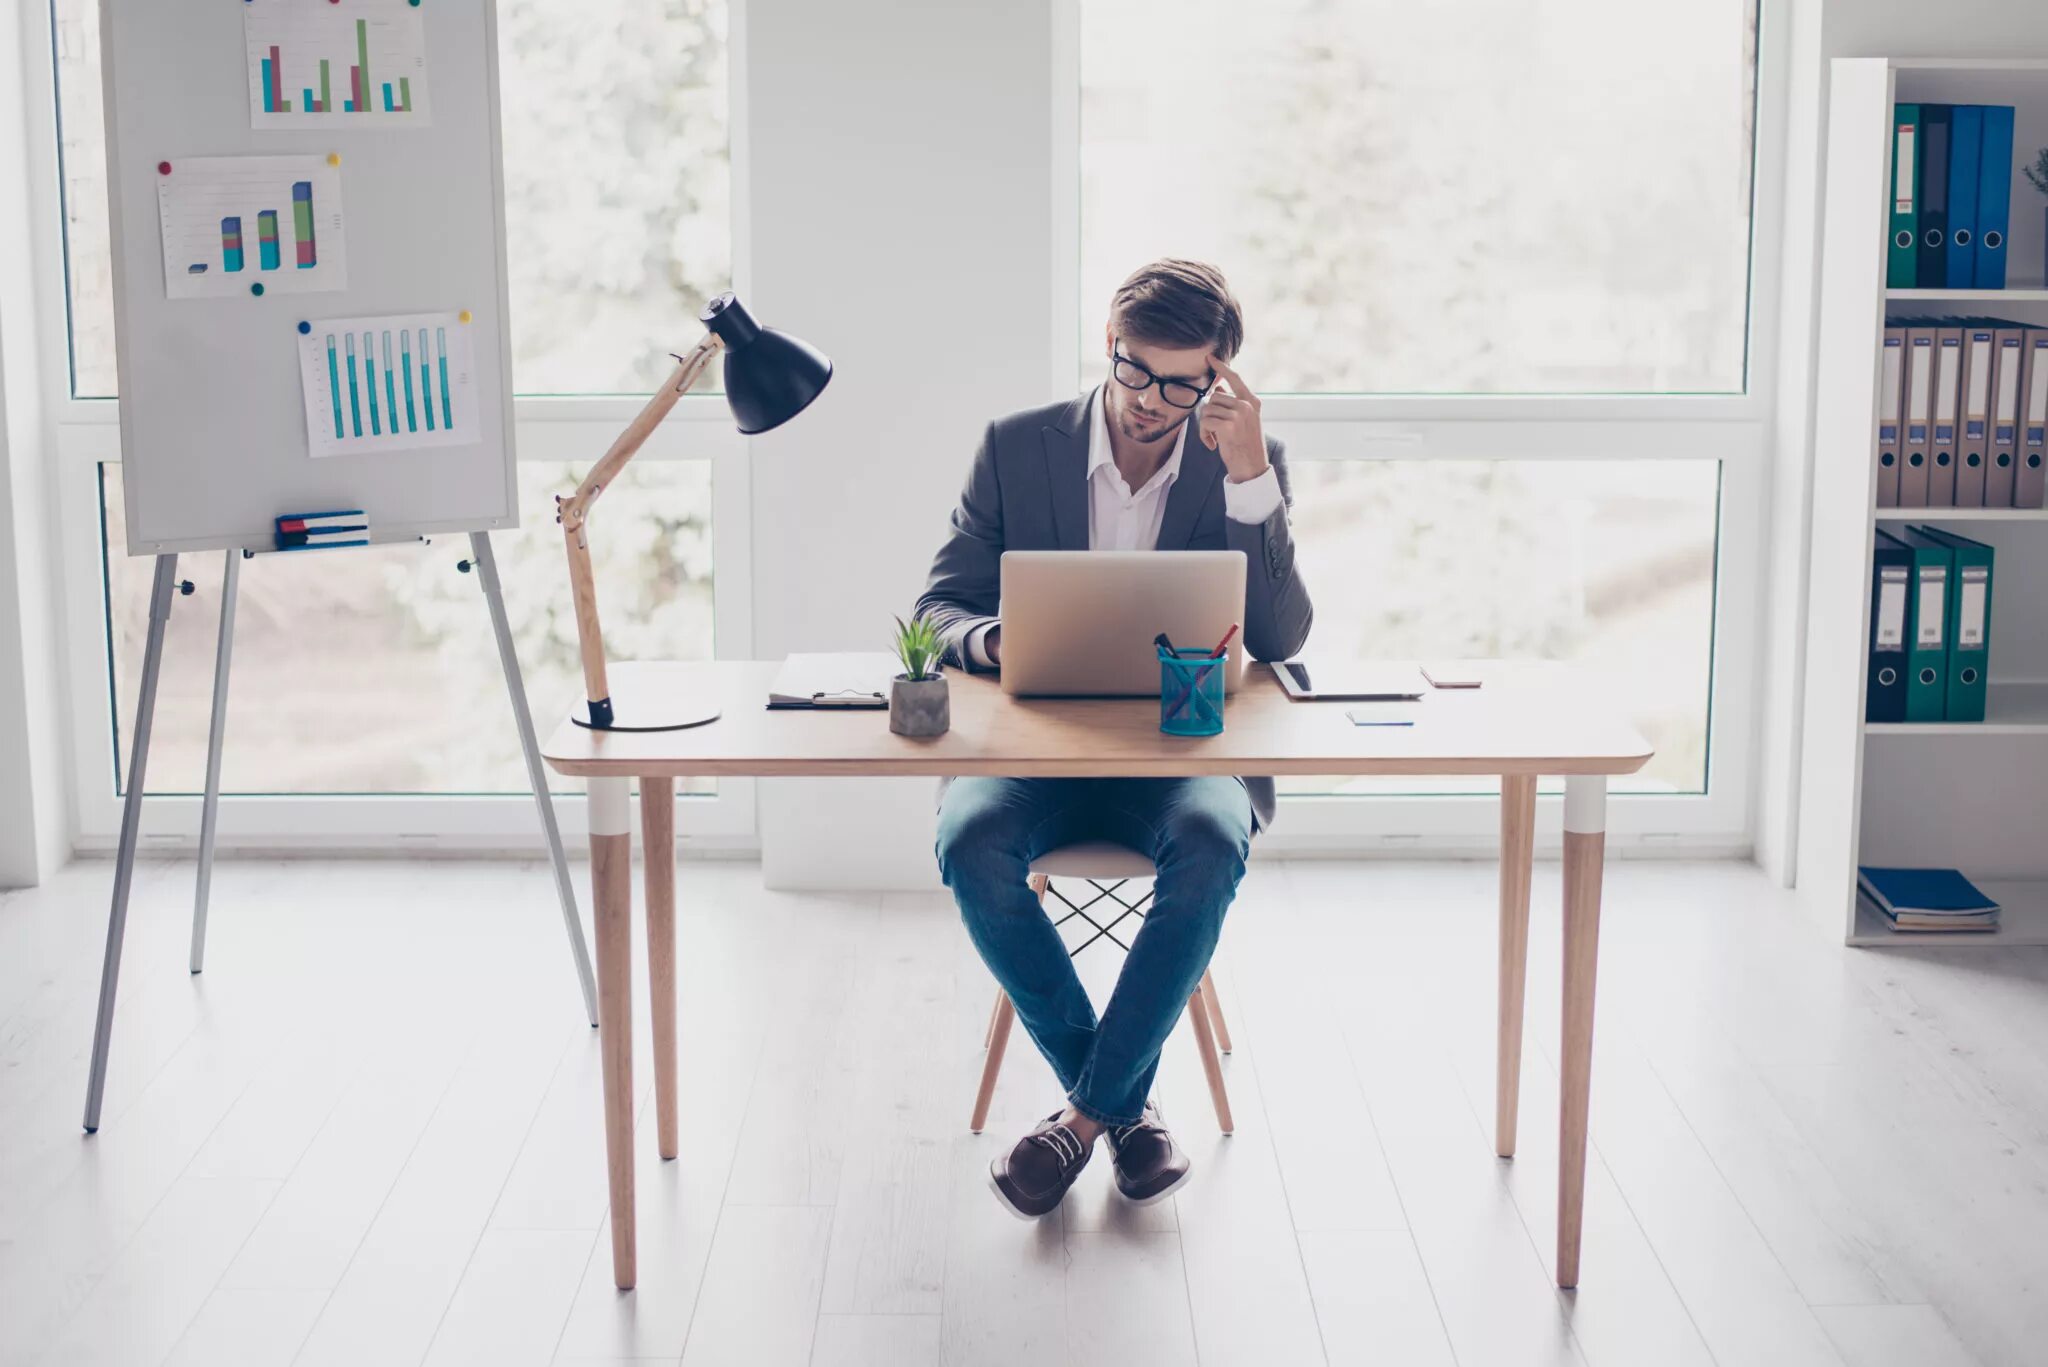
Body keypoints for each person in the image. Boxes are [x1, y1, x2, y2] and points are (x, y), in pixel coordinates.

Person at [917, 259, 1313, 1217]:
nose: (1151, 400)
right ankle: (1127, 1112)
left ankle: (1078, 1121)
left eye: (1183, 383)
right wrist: (998, 637)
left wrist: (1252, 479)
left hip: (1179, 759)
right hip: (1035, 752)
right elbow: (939, 607)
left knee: (1217, 839)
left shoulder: (1243, 464)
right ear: (1110, 340)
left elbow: (1282, 639)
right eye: (1136, 371)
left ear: (1218, 378)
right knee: (967, 839)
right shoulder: (1018, 447)